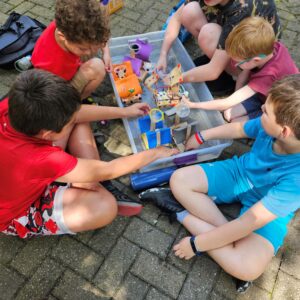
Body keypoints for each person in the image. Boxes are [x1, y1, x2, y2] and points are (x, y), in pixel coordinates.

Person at [139, 74, 300, 292]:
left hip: (266, 210)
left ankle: (180, 213)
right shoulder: (270, 127)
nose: (260, 110)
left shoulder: (296, 179)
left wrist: (197, 244)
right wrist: (201, 136)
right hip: (240, 173)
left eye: (265, 112)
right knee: (180, 179)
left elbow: (249, 222)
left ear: (284, 132)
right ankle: (228, 239)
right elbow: (239, 129)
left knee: (249, 269)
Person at [0, 69, 177, 238]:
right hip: (14, 213)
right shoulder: (41, 159)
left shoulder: (14, 105)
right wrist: (156, 152)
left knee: (78, 120)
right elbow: (109, 169)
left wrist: (124, 112)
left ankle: (83, 179)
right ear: (47, 134)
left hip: (17, 175)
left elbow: (76, 115)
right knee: (106, 207)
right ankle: (90, 182)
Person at [31, 0, 152, 203]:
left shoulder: (78, 24)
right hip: (53, 102)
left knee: (95, 66)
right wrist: (124, 112)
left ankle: (91, 176)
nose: (88, 52)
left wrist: (104, 52)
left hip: (64, 97)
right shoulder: (47, 67)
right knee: (59, 145)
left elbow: (100, 29)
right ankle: (86, 178)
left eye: (93, 46)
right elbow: (71, 113)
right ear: (62, 36)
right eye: (83, 48)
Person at [182, 17, 298, 122]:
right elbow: (244, 73)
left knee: (234, 120)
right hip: (265, 95)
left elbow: (225, 103)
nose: (234, 64)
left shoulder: (267, 75)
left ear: (256, 60)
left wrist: (192, 105)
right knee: (228, 113)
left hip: (278, 112)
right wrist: (236, 97)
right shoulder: (271, 47)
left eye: (237, 62)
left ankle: (264, 131)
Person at [157, 0, 281, 94]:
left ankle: (232, 74)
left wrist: (175, 78)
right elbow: (176, 18)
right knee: (189, 11)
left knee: (208, 34)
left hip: (252, 60)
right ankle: (219, 59)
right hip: (234, 32)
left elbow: (213, 72)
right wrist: (163, 54)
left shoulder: (242, 10)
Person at [31, 0, 111, 100]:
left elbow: (98, 32)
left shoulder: (69, 23)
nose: (91, 52)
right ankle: (76, 102)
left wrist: (106, 53)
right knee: (98, 67)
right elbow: (51, 99)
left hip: (65, 69)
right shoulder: (52, 67)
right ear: (62, 37)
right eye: (83, 48)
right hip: (57, 90)